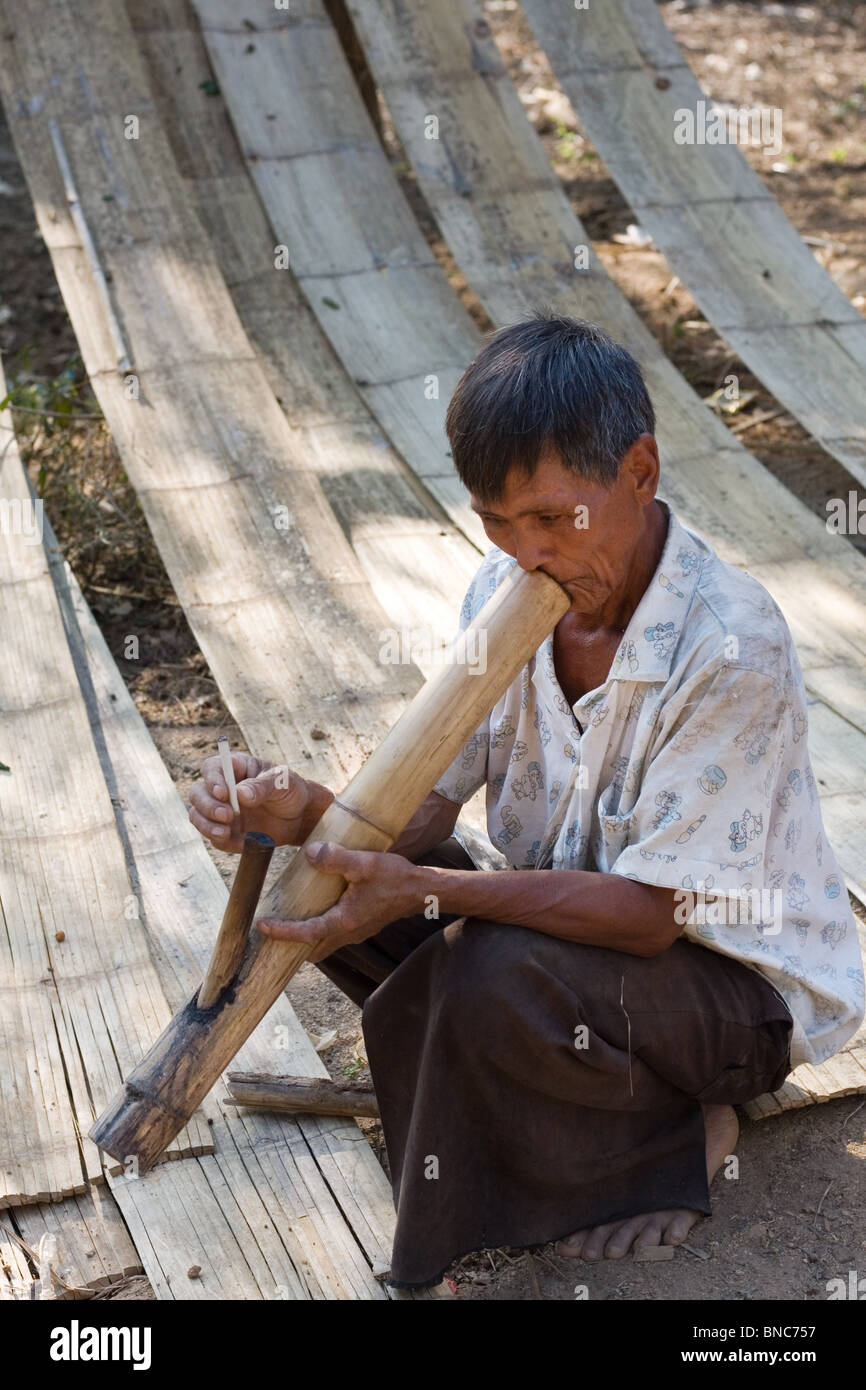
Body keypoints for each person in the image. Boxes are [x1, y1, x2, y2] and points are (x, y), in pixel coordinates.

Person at [187, 313, 864, 1290]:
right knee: (337, 890)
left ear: (638, 472)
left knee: (481, 964)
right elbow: (416, 816)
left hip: (725, 993)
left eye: (552, 518)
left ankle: (640, 1143)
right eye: (495, 521)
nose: (525, 552)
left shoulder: (726, 642)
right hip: (568, 954)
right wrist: (295, 810)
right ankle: (625, 1125)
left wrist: (427, 891)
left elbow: (644, 918)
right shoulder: (499, 588)